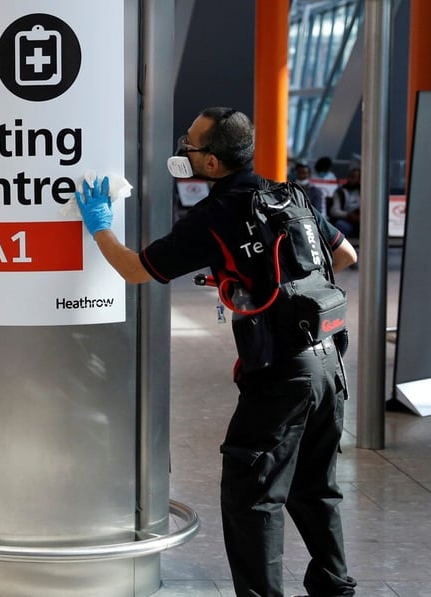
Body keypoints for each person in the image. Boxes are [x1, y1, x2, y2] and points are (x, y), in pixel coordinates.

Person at [75, 107, 358, 597]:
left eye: (192, 143)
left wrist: (98, 225)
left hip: (280, 375)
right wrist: (255, 279)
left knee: (252, 495)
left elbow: (133, 270)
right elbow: (344, 255)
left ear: (210, 164)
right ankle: (335, 587)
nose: (183, 147)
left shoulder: (214, 216)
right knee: (316, 488)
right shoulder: (289, 194)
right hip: (329, 363)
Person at [328, 167, 361, 237]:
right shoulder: (340, 192)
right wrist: (348, 215)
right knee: (340, 225)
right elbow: (334, 211)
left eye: (355, 177)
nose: (352, 179)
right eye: (351, 177)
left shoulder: (364, 191)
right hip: (346, 219)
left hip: (361, 220)